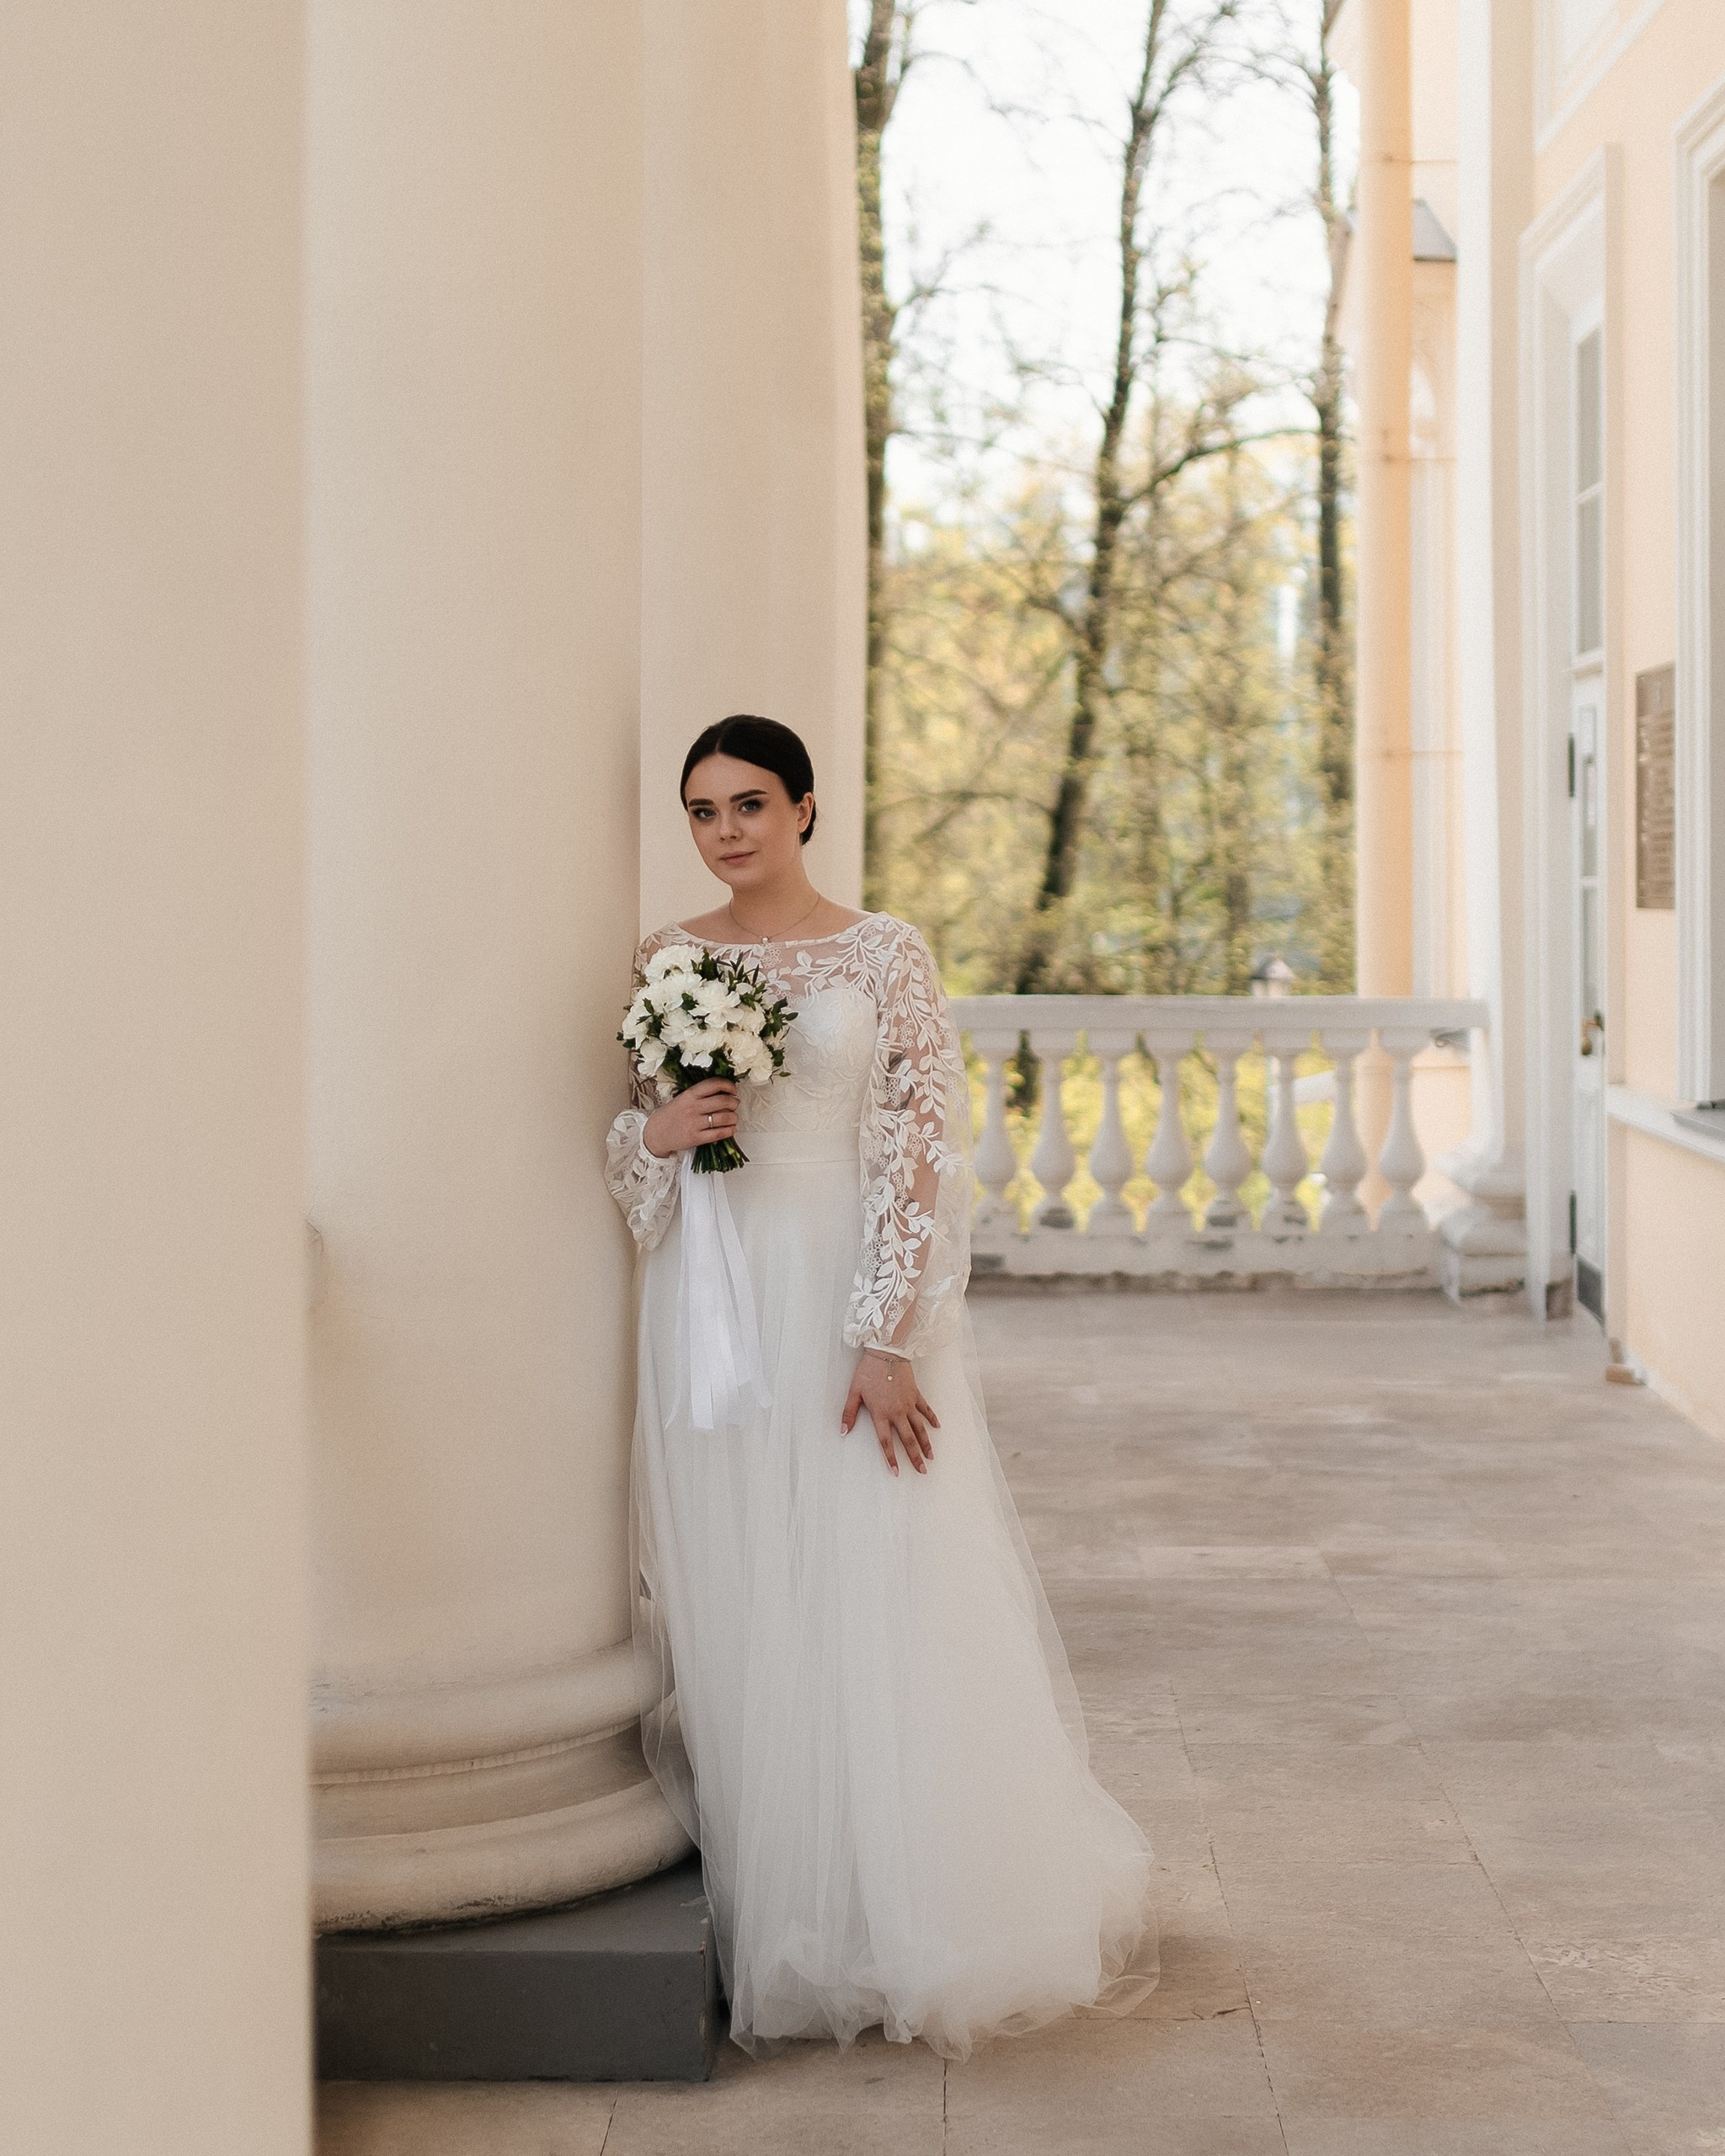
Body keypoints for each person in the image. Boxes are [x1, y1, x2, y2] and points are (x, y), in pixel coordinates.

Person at [605, 714, 1156, 2057]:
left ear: (804, 807)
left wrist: (885, 1333)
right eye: (700, 810)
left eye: (747, 803)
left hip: (851, 1294)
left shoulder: (886, 953)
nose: (724, 831)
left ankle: (902, 1903)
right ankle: (793, 1898)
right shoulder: (670, 962)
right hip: (722, 1305)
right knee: (752, 1588)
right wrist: (655, 1132)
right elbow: (638, 1178)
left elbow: (921, 1151)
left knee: (877, 1574)